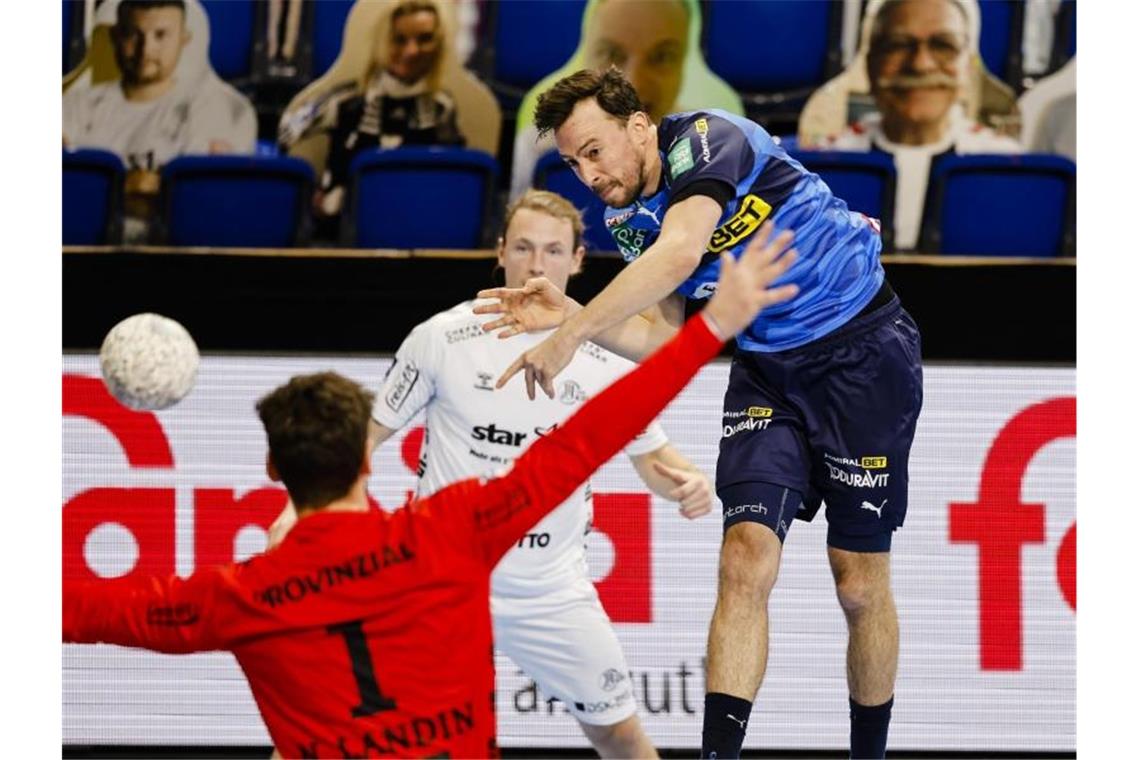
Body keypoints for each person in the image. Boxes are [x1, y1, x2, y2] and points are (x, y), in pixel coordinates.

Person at [63, 223, 801, 759]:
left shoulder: (243, 594)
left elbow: (87, 611)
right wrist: (715, 326)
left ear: (273, 474)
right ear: (364, 459)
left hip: (549, 593)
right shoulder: (451, 532)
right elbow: (589, 439)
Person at [477, 67, 923, 759]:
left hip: (862, 353)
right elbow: (667, 337)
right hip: (766, 371)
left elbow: (685, 248)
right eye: (572, 162)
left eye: (594, 151)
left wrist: (570, 337)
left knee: (859, 585)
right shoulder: (628, 222)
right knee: (745, 558)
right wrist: (574, 316)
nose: (587, 175)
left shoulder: (711, 139)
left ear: (638, 127)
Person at [267, 188, 713, 757]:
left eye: (553, 251)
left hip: (550, 592)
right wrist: (295, 506)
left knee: (619, 735)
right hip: (438, 582)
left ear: (577, 261)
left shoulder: (606, 357)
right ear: (500, 252)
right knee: (328, 719)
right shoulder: (441, 338)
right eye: (523, 248)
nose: (536, 264)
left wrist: (687, 482)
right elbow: (365, 440)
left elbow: (653, 458)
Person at [808, 0, 1021, 250]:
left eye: (943, 45)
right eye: (898, 45)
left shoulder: (1005, 165)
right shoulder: (825, 167)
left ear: (969, 66)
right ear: (870, 63)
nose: (921, 64)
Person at [62, 0, 257, 241]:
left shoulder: (222, 107)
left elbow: (198, 201)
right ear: (115, 36)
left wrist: (104, 188)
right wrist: (144, 186)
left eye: (161, 35)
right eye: (133, 34)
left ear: (184, 39)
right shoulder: (72, 104)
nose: (146, 49)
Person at [509, 0, 742, 200]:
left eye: (662, 57)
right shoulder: (540, 145)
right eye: (612, 55)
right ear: (585, 56)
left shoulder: (713, 143)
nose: (634, 83)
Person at [278, 0, 463, 221]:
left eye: (424, 40)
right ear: (383, 41)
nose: (412, 51)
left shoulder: (442, 108)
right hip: (346, 228)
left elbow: (452, 175)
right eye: (399, 40)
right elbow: (285, 134)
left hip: (418, 220)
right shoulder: (346, 100)